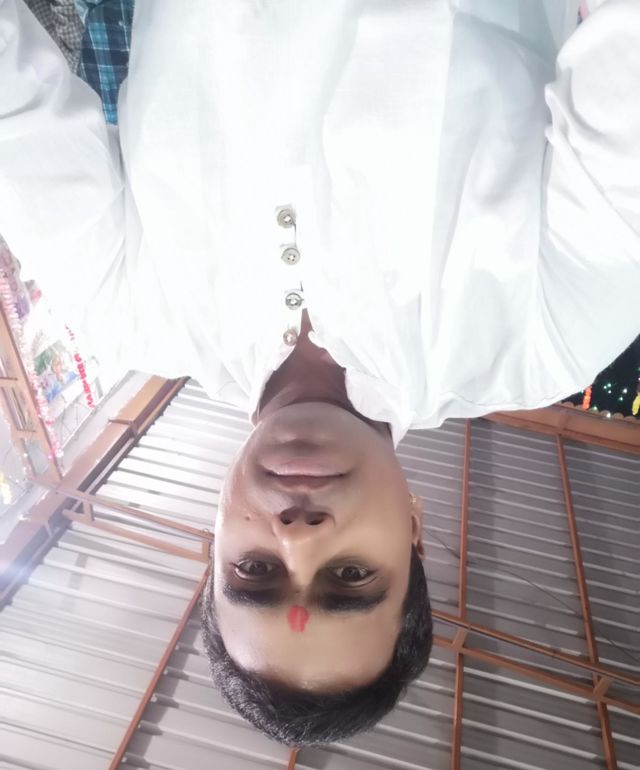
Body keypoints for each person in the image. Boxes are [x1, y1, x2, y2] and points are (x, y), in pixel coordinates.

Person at [1, 0, 639, 747]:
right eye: (352, 578)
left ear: (213, 543)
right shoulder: (549, 334)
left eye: (254, 570)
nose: (298, 537)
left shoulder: (126, 309)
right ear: (414, 531)